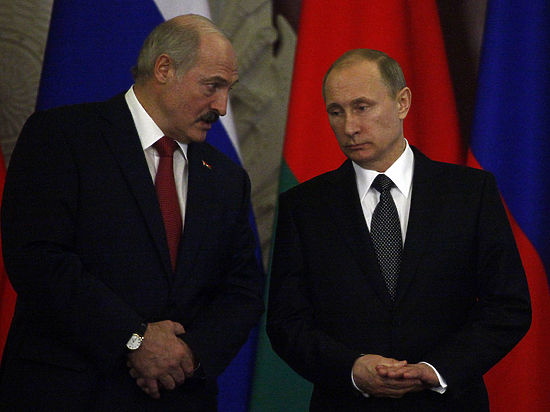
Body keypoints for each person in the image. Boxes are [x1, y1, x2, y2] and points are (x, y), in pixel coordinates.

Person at [0, 14, 264, 411]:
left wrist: (185, 356)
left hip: (177, 398)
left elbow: (242, 290)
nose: (222, 107)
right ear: (164, 69)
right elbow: (38, 258)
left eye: (228, 89)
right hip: (71, 392)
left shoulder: (226, 178)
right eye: (212, 86)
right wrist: (134, 338)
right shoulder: (63, 136)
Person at [266, 49, 531, 411]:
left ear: (402, 102)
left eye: (362, 107)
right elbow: (286, 322)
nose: (349, 127)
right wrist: (351, 369)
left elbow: (508, 307)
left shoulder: (470, 193)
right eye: (336, 112)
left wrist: (437, 369)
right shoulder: (304, 207)